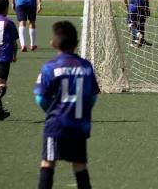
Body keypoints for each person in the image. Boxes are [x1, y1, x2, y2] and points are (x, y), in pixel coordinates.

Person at [34, 21, 100, 189]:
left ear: (53, 43)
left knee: (48, 163)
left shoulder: (50, 67)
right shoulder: (86, 66)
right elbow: (92, 97)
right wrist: (82, 111)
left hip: (56, 124)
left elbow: (40, 98)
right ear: (77, 43)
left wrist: (51, 111)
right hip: (79, 125)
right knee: (79, 165)